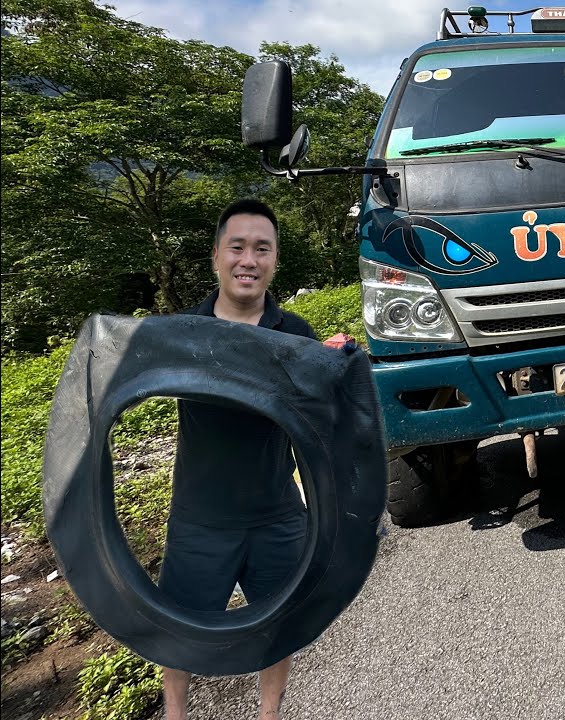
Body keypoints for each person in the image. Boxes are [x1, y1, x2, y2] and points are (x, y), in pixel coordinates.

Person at [158, 198, 316, 720]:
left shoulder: (295, 334)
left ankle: (269, 714)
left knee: (279, 627)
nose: (249, 260)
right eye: (238, 247)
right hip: (199, 518)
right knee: (179, 633)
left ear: (274, 260)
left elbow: (326, 418)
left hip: (277, 513)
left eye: (262, 249)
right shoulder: (182, 333)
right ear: (216, 256)